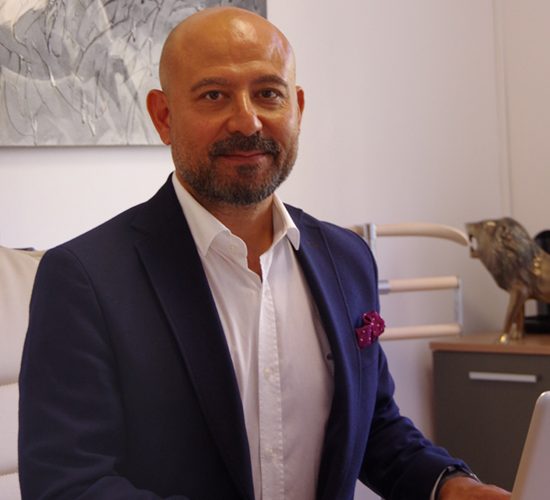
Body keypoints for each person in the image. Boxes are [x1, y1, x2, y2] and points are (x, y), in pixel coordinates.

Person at [18, 7, 511, 500]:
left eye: (268, 94)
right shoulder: (86, 278)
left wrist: (453, 487)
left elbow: (373, 427)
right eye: (214, 95)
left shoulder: (347, 259)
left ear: (297, 107)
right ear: (164, 117)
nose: (247, 120)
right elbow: (69, 483)